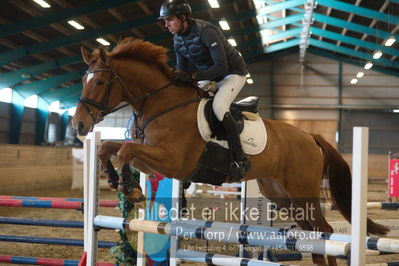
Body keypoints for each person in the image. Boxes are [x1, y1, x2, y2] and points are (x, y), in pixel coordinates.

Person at [158, 0, 251, 179]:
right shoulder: (177, 39)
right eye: (164, 21)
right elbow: (181, 70)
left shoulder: (207, 31)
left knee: (219, 107)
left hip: (232, 73)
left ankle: (241, 159)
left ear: (183, 17)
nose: (166, 25)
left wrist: (192, 77)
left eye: (169, 20)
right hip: (209, 76)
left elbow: (221, 67)